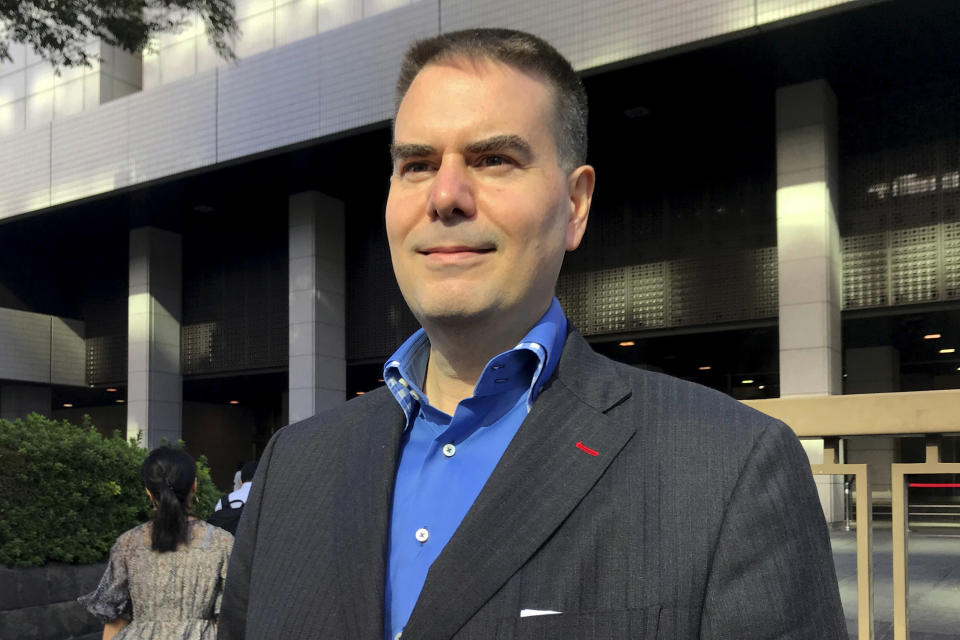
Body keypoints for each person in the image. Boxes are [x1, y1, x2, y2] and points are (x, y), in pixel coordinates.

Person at [219, 28, 846, 639]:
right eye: (417, 164)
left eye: (494, 159)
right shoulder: (292, 469)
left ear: (575, 205)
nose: (445, 196)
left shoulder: (726, 470)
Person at [80, 446, 234, 640]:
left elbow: (115, 619)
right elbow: (232, 617)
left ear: (149, 493)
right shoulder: (223, 543)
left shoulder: (127, 544)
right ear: (194, 485)